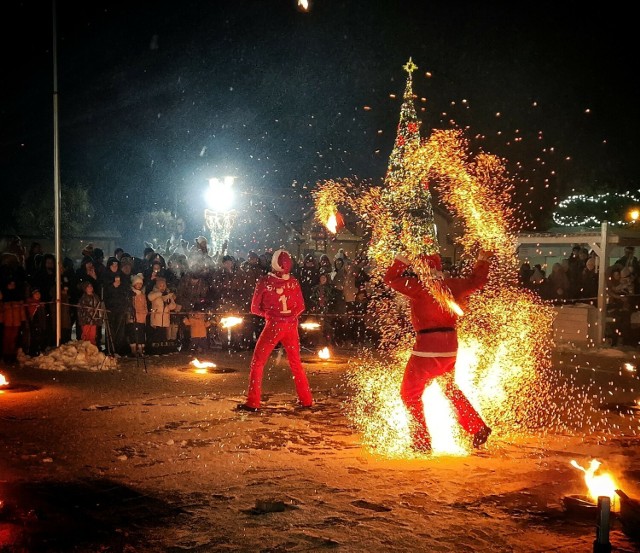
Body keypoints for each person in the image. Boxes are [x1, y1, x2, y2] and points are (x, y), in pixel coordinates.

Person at [383, 249, 494, 453]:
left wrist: (403, 258)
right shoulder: (452, 284)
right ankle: (477, 427)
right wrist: (482, 260)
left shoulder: (419, 287)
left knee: (410, 394)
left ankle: (421, 442)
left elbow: (390, 278)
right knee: (448, 387)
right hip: (450, 347)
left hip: (427, 347)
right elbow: (476, 282)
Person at [237, 249, 313, 412]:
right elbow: (301, 307)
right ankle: (306, 399)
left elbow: (254, 308)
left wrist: (271, 314)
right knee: (296, 363)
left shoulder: (264, 282)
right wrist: (288, 316)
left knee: (258, 362)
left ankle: (253, 401)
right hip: (291, 326)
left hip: (273, 326)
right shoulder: (294, 282)